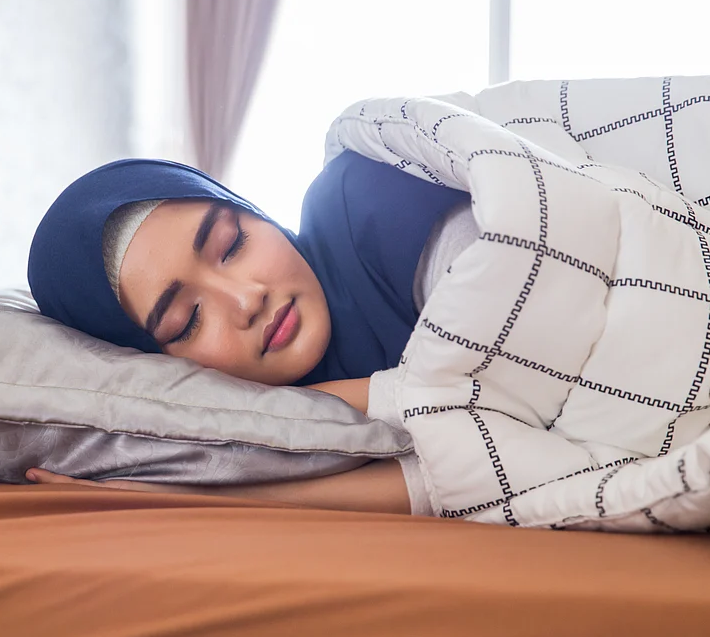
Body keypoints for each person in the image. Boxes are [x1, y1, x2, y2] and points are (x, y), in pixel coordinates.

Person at [25, 152, 477, 514]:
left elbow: (497, 401)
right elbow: (458, 473)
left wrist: (319, 399)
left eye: (232, 244)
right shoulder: (255, 438)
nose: (247, 300)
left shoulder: (372, 202)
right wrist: (189, 496)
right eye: (187, 320)